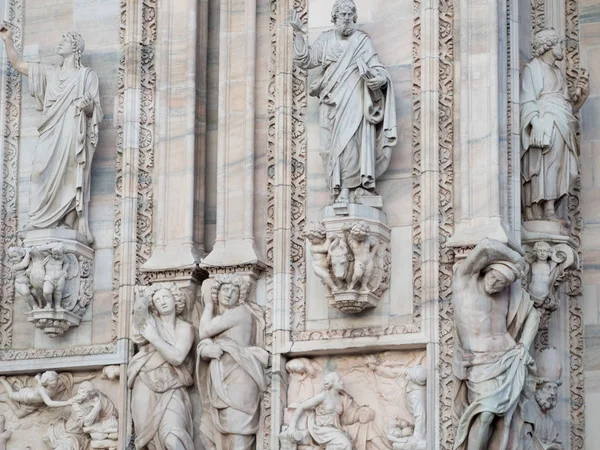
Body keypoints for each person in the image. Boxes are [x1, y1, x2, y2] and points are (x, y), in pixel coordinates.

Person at [0, 25, 102, 244]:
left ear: (74, 47)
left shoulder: (86, 76)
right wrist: (7, 40)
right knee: (39, 172)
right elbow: (18, 64)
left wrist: (88, 105)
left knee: (72, 172)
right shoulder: (49, 72)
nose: (60, 43)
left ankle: (68, 220)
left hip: (73, 130)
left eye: (64, 39)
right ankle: (40, 219)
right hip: (51, 130)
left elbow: (95, 110)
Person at [289, 0, 397, 205]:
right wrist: (298, 34)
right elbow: (305, 60)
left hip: (355, 99)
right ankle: (336, 186)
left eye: (350, 14)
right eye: (342, 14)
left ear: (354, 17)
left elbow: (377, 67)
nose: (346, 18)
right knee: (328, 148)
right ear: (335, 17)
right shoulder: (326, 40)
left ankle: (348, 189)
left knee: (351, 144)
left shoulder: (362, 41)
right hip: (331, 101)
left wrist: (381, 79)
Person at [452, 238, 540, 450]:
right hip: (480, 363)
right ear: (486, 271)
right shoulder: (465, 282)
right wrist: (517, 260)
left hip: (508, 359)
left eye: (502, 283)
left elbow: (533, 314)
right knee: (486, 413)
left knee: (505, 420)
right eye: (494, 278)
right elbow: (484, 245)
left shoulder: (507, 294)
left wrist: (524, 346)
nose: (496, 285)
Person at [521, 28, 589, 221]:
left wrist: (581, 95)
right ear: (548, 45)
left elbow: (568, 106)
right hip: (546, 122)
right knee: (549, 165)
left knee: (570, 171)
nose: (562, 48)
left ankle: (551, 206)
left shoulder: (558, 73)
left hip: (562, 121)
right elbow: (527, 99)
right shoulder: (532, 68)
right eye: (559, 44)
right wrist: (535, 123)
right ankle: (547, 208)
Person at [196, 274, 269, 450]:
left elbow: (205, 331)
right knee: (211, 433)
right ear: (217, 292)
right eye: (225, 289)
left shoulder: (239, 312)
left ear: (240, 295)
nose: (229, 294)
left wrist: (208, 305)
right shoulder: (227, 315)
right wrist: (206, 349)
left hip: (240, 377)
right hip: (224, 377)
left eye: (234, 291)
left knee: (238, 430)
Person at [127, 283, 195, 449]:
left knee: (173, 437)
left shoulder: (185, 328)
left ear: (175, 299)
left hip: (173, 387)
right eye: (157, 300)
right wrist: (141, 305)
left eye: (166, 297)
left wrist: (155, 337)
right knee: (146, 439)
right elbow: (137, 333)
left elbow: (177, 358)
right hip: (145, 383)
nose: (162, 301)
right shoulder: (150, 322)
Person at [282, 371, 391, 450]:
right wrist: (292, 426)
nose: (342, 383)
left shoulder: (342, 397)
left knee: (366, 426)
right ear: (332, 383)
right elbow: (302, 407)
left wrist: (363, 412)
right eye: (339, 381)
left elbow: (351, 414)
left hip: (337, 428)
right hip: (323, 430)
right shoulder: (323, 396)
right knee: (345, 444)